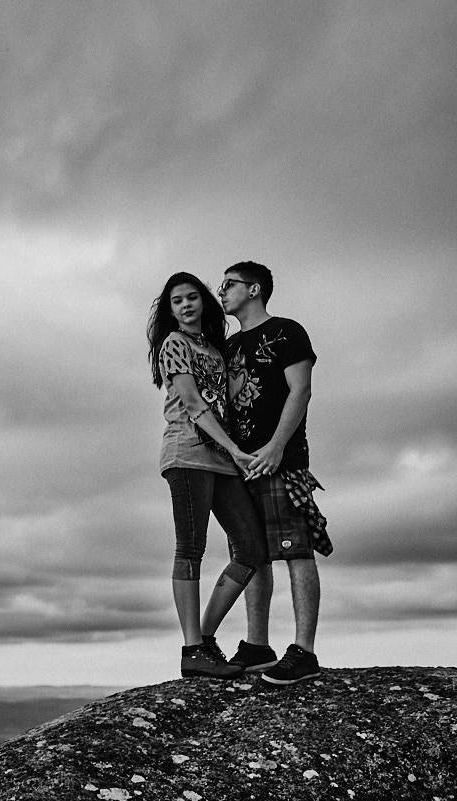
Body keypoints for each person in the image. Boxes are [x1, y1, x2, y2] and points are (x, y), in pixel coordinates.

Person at [147, 272, 268, 679]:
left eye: (191, 297)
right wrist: (236, 450)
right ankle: (192, 650)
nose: (184, 305)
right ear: (170, 310)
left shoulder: (214, 349)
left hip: (222, 461)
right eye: (176, 301)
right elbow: (196, 405)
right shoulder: (174, 344)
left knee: (252, 548)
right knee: (191, 549)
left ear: (203, 302)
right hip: (187, 455)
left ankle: (203, 638)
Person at [218, 261, 331, 686]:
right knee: (251, 552)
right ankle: (257, 646)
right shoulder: (228, 347)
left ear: (254, 288)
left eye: (228, 284)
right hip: (240, 465)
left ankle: (304, 652)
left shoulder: (287, 331)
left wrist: (277, 446)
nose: (221, 291)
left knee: (296, 549)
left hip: (282, 461)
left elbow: (300, 390)